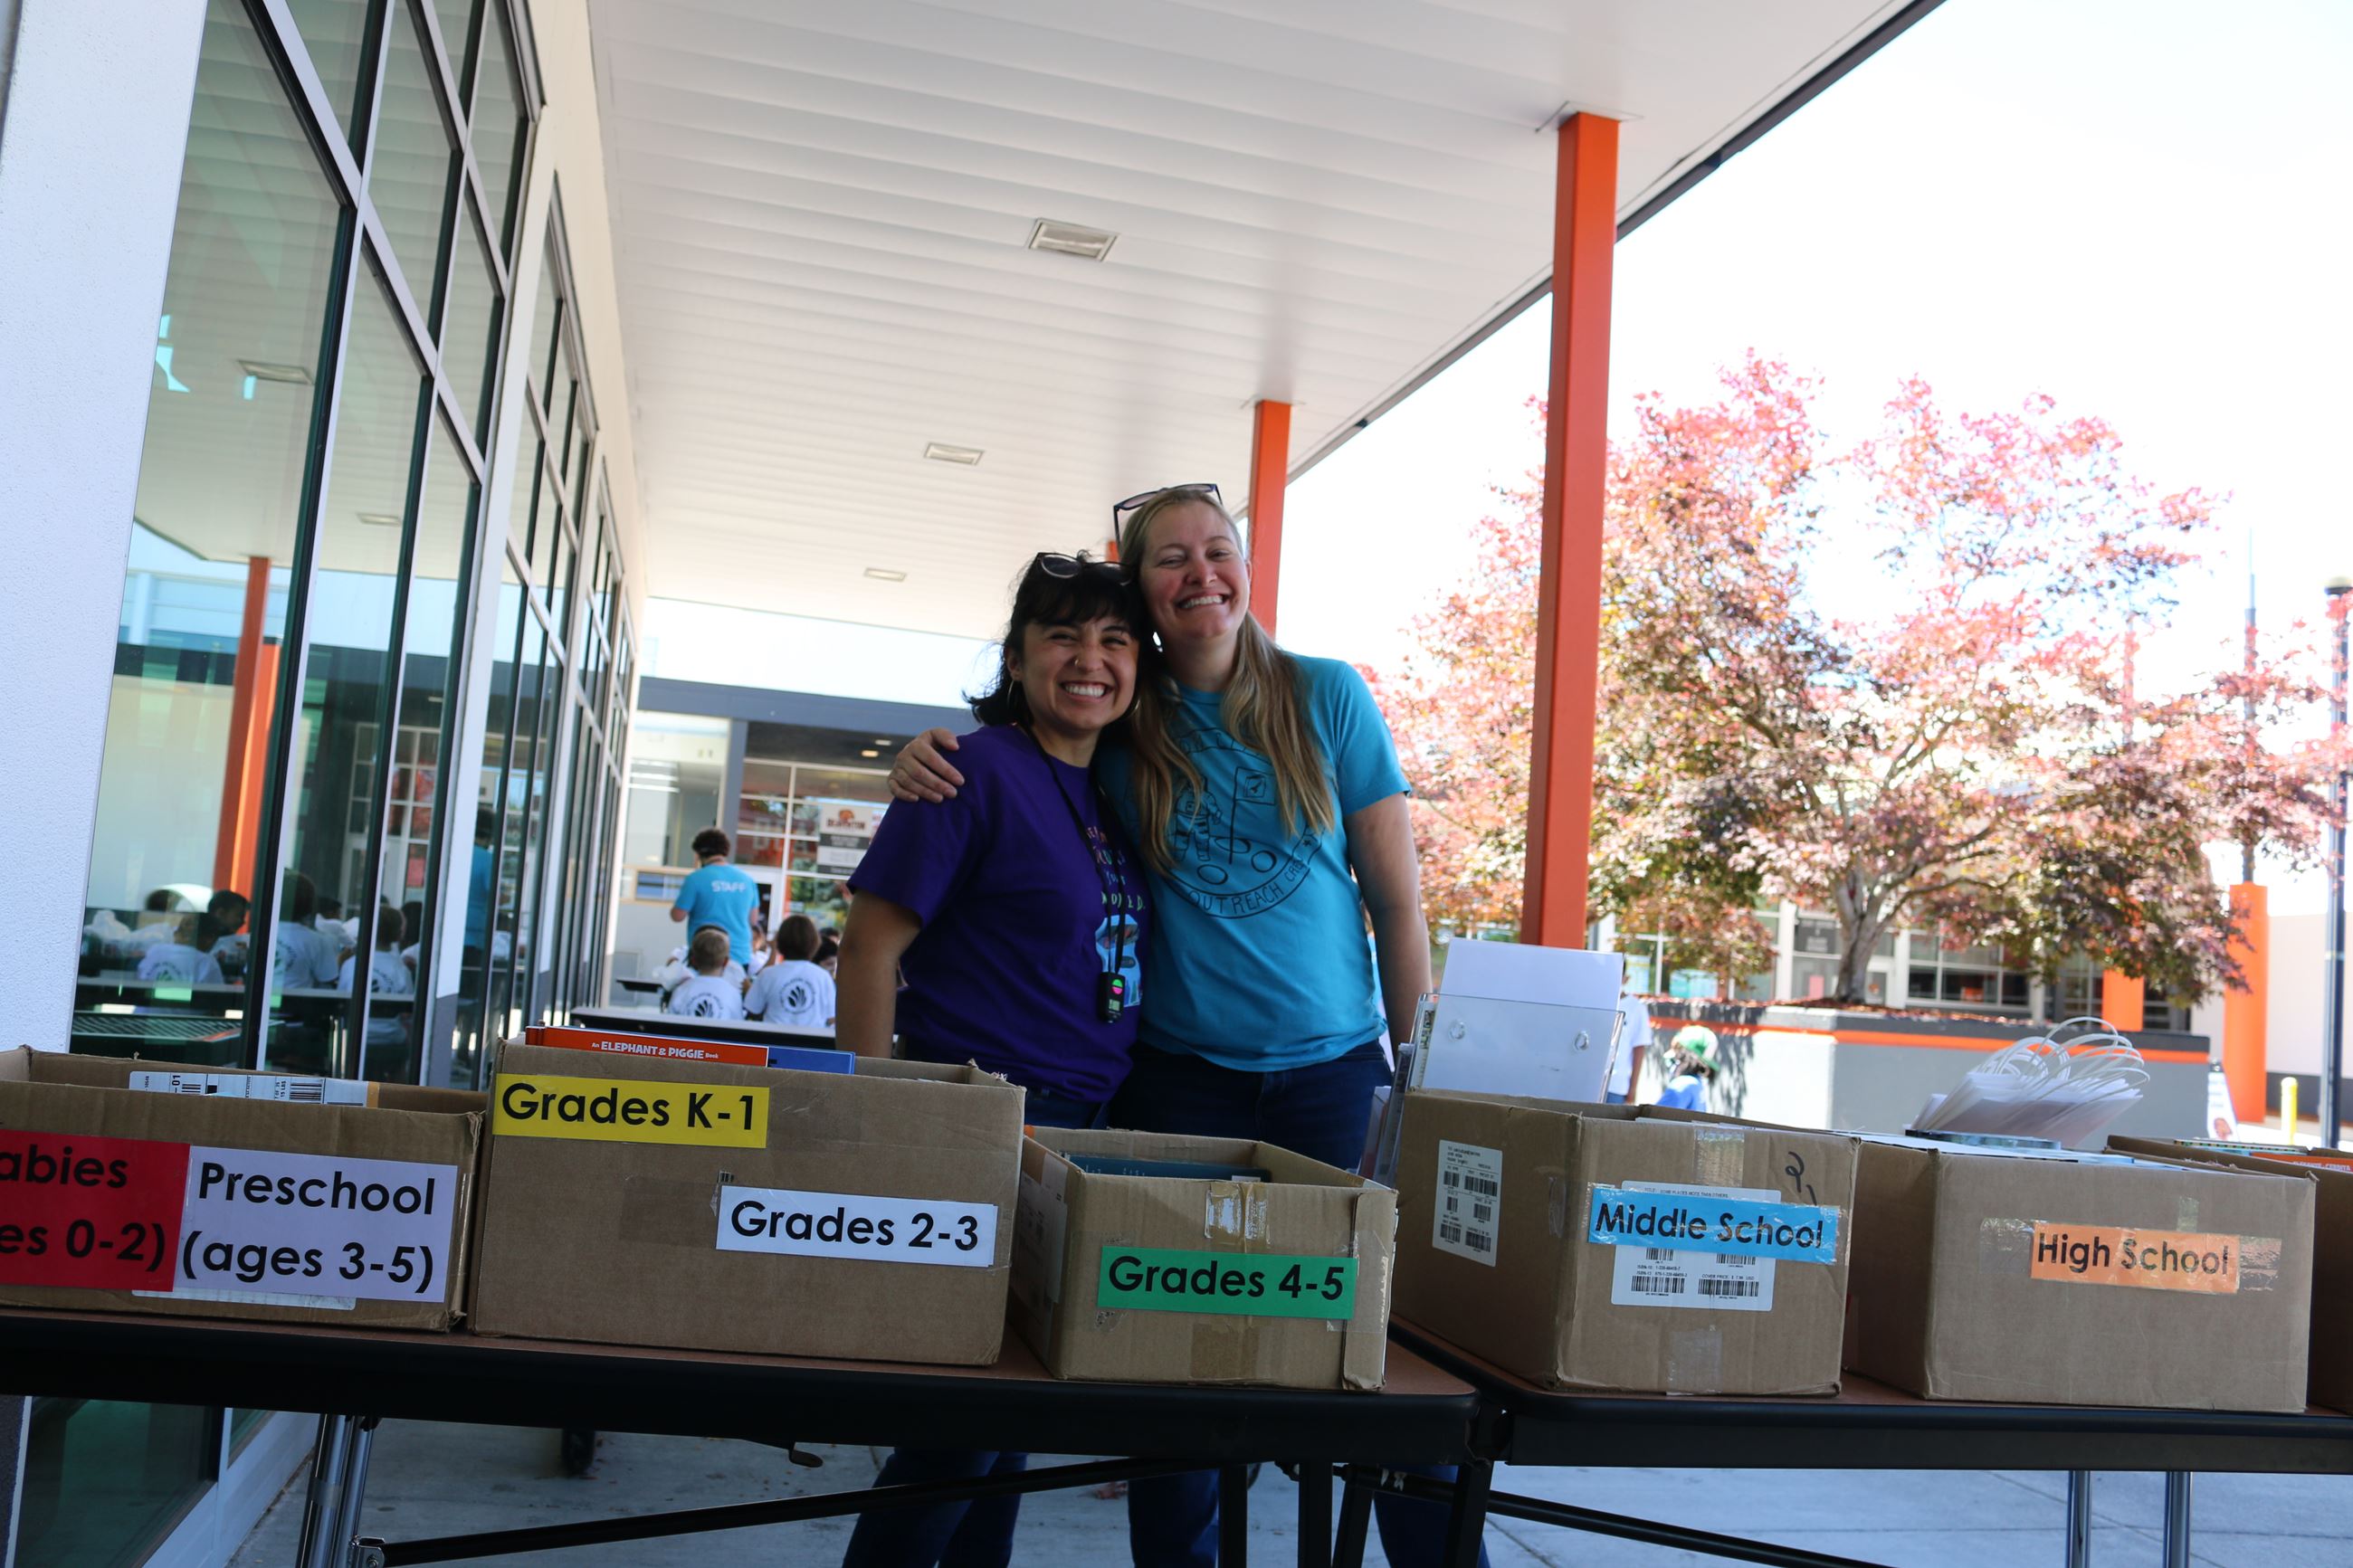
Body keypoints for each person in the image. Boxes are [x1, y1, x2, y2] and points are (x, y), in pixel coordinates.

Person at [890, 485, 1482, 1568]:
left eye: (1218, 551)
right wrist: (921, 751)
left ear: (1245, 567)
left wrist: (1420, 1075)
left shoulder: (1326, 695)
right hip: (1176, 1083)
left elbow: (1395, 903)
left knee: (1375, 1360)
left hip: (1330, 1076)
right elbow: (1020, 751)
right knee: (1179, 1373)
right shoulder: (1125, 712)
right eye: (1171, 558)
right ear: (1142, 585)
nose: (1200, 573)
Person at [840, 549, 1148, 1568]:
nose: (1088, 659)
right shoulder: (968, 771)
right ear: (1015, 657)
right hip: (983, 1119)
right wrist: (883, 1113)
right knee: (957, 1428)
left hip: (1081, 1129)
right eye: (1062, 634)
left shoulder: (1110, 789)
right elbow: (869, 946)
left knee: (1006, 1424)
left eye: (1112, 638)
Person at [671, 828, 760, 966]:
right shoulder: (747, 880)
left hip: (705, 956)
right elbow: (753, 920)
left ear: (700, 853)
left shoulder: (695, 879)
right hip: (740, 956)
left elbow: (677, 916)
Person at [339, 904, 414, 1050]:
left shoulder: (350, 964)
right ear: (399, 935)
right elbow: (407, 1012)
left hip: (354, 1034)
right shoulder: (402, 969)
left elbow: (342, 1002)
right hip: (391, 1038)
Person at [745, 914, 834, 1029]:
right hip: (811, 1042)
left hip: (773, 1040)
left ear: (780, 941)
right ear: (814, 942)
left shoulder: (768, 974)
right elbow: (831, 1017)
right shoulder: (823, 977)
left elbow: (753, 1010)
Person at [272, 872, 342, 988]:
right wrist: (342, 960)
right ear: (311, 903)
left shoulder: (262, 935)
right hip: (298, 1004)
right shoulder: (319, 941)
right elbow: (329, 979)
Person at [665, 927, 747, 1020]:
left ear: (693, 960)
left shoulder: (681, 990)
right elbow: (738, 1026)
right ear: (726, 962)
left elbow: (670, 1023)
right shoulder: (733, 994)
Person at [138, 912, 226, 984]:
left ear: (176, 933)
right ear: (210, 939)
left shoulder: (155, 950)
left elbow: (141, 977)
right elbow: (216, 998)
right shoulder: (207, 962)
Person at [1606, 972, 1654, 1105]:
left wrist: (1633, 1088)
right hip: (1589, 1083)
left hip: (1617, 1087)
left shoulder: (1636, 1008)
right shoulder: (1596, 1001)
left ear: (1625, 978)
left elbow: (1639, 1049)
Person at [1656, 1025, 1720, 1111]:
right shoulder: (1696, 1085)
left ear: (1684, 1055)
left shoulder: (1682, 1086)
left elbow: (1653, 1120)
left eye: (1677, 1050)